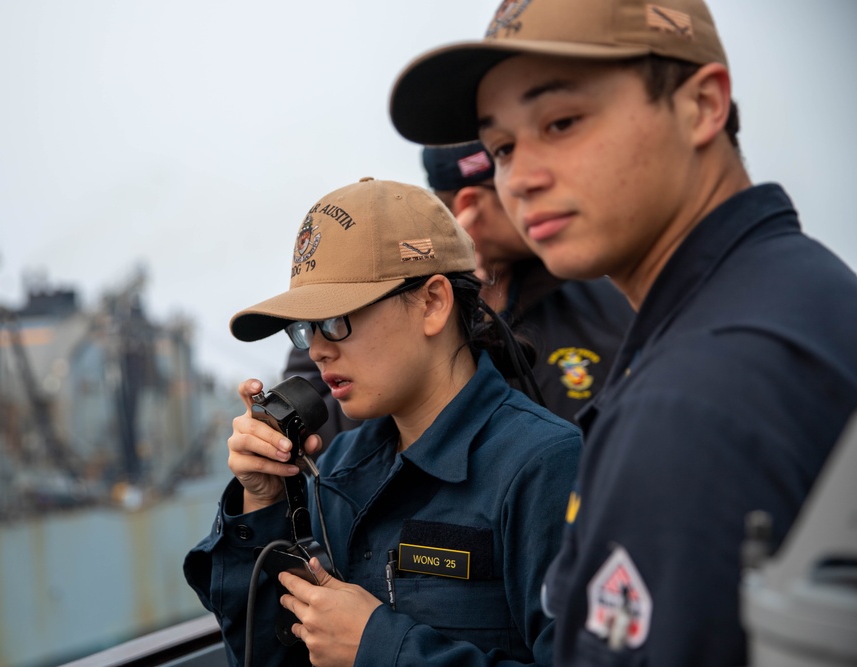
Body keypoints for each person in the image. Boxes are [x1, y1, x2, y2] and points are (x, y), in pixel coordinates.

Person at [388, 0, 857, 665]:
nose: (522, 177)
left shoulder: (688, 402)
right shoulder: (800, 288)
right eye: (502, 147)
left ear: (701, 106)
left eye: (562, 121)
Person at [184, 176, 582, 667]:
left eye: (336, 319)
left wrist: (379, 646)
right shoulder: (341, 469)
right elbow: (268, 659)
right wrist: (262, 503)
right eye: (305, 330)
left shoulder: (544, 466)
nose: (321, 349)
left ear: (433, 303)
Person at [423, 141, 632, 422]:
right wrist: (458, 312)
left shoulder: (611, 302)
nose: (550, 192)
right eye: (519, 189)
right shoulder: (403, 333)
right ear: (470, 204)